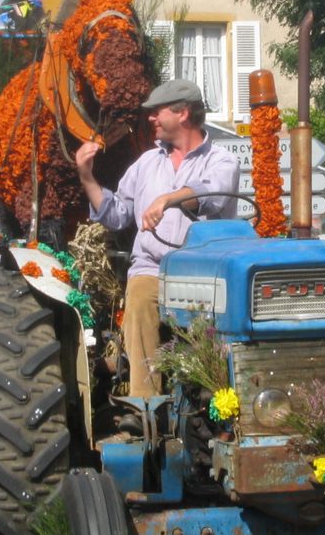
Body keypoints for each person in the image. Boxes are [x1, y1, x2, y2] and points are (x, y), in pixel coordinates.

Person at [74, 78, 239, 399]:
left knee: (221, 331)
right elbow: (116, 214)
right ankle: (145, 406)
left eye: (156, 111)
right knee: (139, 300)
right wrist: (87, 176)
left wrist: (168, 199)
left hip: (205, 272)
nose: (150, 119)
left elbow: (212, 196)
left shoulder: (221, 160)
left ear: (183, 114)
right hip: (152, 268)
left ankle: (219, 400)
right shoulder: (147, 162)